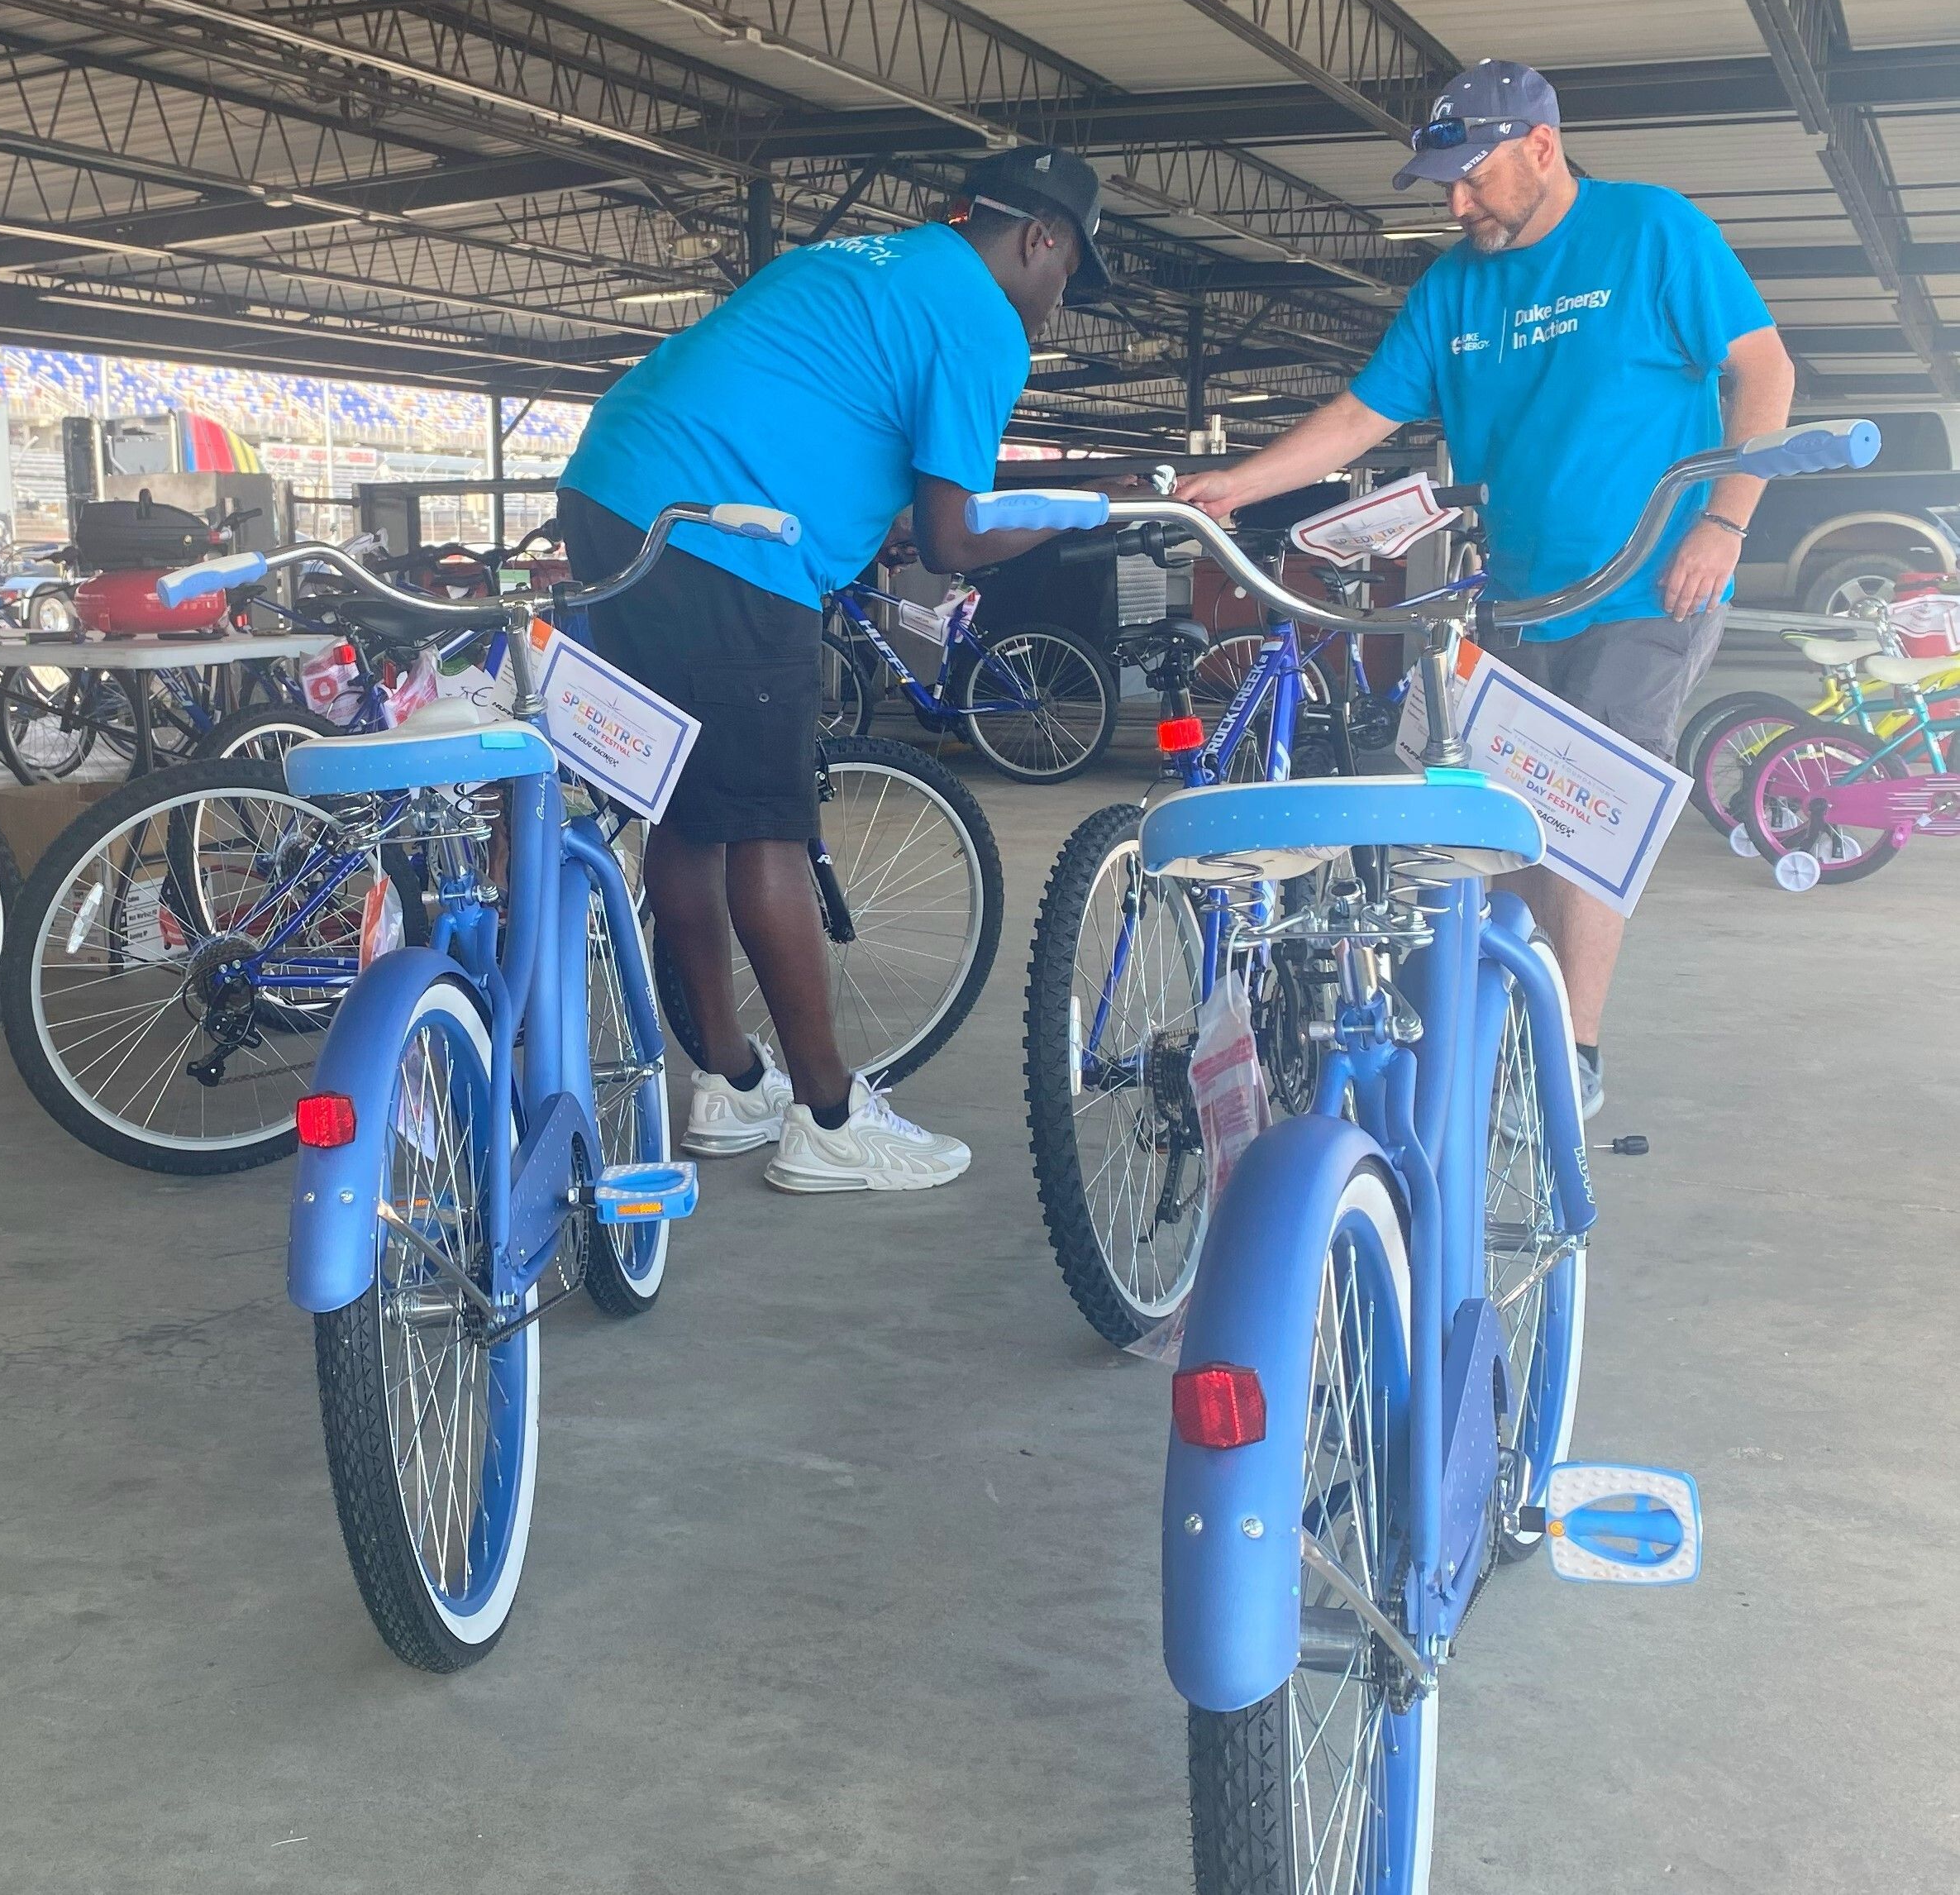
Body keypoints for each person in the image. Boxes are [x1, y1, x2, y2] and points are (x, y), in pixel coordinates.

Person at [1174, 60, 1795, 1118]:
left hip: (1650, 580)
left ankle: (1575, 1052)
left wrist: (1725, 522)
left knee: (1594, 798)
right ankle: (1501, 1018)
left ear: (1541, 148)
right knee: (1497, 808)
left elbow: (1764, 370)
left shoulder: (1651, 231)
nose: (1455, 203)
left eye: (1472, 178)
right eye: (1444, 184)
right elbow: (1359, 417)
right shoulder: (1453, 286)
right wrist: (1234, 483)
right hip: (1509, 589)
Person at [558, 145, 1113, 1191]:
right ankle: (825, 1116)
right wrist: (1072, 516)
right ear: (1039, 238)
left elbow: (822, 423)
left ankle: (726, 1079)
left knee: (684, 804)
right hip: (726, 535)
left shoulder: (851, 262)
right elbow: (954, 539)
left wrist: (874, 523)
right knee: (769, 823)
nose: (1058, 299)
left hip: (607, 488)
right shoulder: (983, 319)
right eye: (1068, 271)